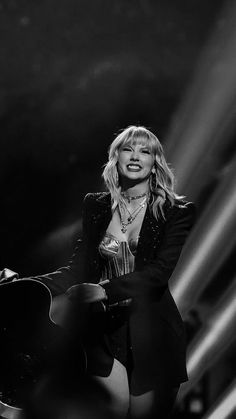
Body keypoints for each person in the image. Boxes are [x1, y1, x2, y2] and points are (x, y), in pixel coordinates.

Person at [0, 125, 195, 419]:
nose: (135, 156)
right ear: (115, 158)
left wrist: (104, 289)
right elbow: (76, 269)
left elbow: (158, 273)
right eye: (128, 149)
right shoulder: (97, 205)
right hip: (100, 332)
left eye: (145, 151)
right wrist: (17, 288)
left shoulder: (175, 211)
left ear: (156, 162)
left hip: (152, 333)